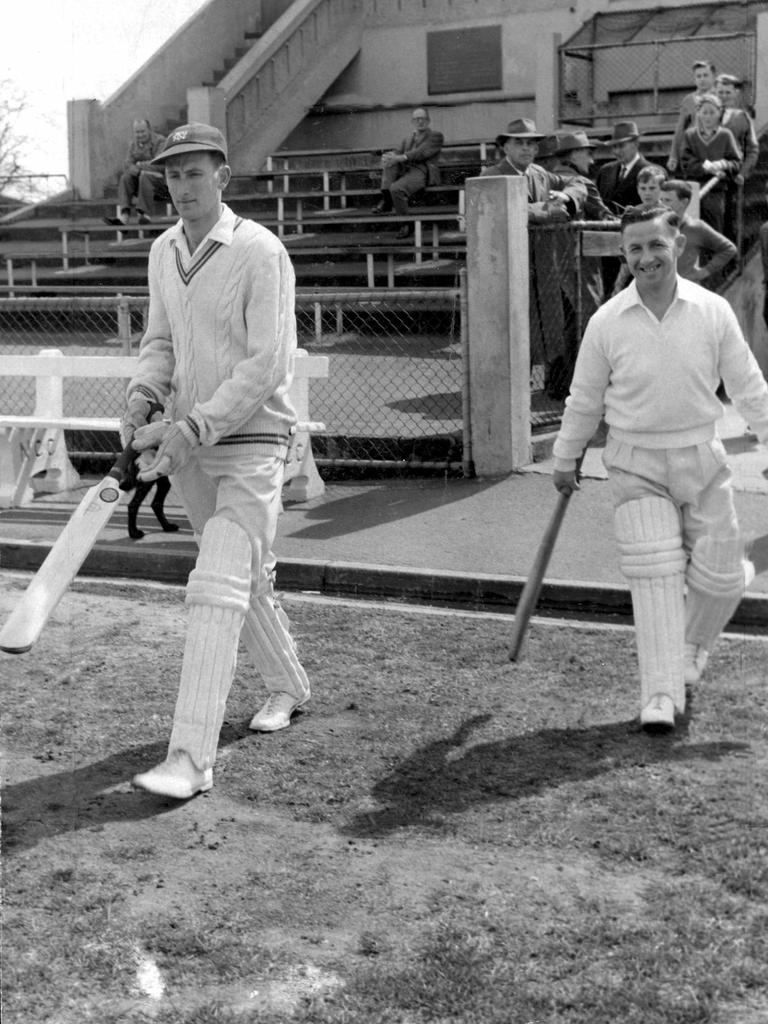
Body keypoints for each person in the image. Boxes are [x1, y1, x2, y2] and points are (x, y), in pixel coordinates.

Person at [122, 123, 312, 799]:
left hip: (253, 440)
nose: (183, 187)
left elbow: (269, 364)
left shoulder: (261, 252)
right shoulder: (162, 250)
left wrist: (195, 425)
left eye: (195, 173)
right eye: (173, 175)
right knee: (242, 578)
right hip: (189, 447)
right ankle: (289, 685)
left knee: (216, 583)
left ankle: (190, 757)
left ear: (224, 177)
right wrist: (146, 394)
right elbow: (160, 340)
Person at [552, 205, 768, 731]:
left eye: (656, 245)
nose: (647, 257)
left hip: (702, 457)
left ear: (678, 243)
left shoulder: (712, 310)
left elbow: (748, 386)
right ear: (625, 255)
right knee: (655, 577)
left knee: (721, 579)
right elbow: (584, 400)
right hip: (635, 462)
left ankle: (692, 646)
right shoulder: (607, 321)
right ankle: (660, 694)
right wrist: (564, 457)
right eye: (635, 249)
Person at [481, 117, 587, 399]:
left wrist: (566, 198)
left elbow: (578, 181)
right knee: (513, 338)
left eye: (531, 143)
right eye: (519, 142)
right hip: (508, 270)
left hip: (541, 271)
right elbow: (504, 208)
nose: (527, 148)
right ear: (505, 146)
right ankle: (509, 401)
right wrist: (545, 211)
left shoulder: (540, 173)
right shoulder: (492, 174)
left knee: (539, 334)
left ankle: (529, 397)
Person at [595, 121, 651, 295]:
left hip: (637, 244)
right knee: (608, 291)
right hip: (607, 246)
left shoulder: (650, 171)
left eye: (621, 146)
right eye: (614, 147)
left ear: (635, 143)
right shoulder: (606, 171)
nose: (616, 151)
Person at [372, 107, 443, 238]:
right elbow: (398, 152)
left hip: (421, 171)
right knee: (389, 162)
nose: (419, 121)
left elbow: (421, 153)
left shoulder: (436, 136)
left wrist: (400, 157)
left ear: (428, 120)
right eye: (416, 119)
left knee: (396, 188)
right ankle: (387, 199)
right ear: (412, 121)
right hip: (405, 170)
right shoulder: (408, 138)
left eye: (422, 118)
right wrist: (389, 157)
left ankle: (406, 224)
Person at [679, 92, 742, 237]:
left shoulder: (726, 135)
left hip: (716, 192)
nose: (708, 116)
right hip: (694, 191)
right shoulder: (690, 135)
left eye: (712, 112)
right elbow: (686, 162)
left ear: (719, 113)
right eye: (704, 112)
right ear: (698, 113)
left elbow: (736, 162)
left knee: (714, 232)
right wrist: (706, 167)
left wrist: (723, 164)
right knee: (693, 232)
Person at [659, 179, 737, 285]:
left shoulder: (696, 227)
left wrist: (704, 272)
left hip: (686, 291)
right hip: (655, 290)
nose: (662, 205)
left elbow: (729, 249)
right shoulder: (652, 226)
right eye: (661, 200)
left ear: (684, 202)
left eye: (667, 200)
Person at [715, 73, 760, 243]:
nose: (724, 97)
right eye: (720, 92)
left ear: (735, 93)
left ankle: (731, 259)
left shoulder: (742, 118)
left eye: (728, 92)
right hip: (709, 177)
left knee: (729, 221)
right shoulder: (706, 115)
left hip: (731, 179)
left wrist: (742, 173)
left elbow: (753, 149)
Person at [104, 118, 168, 226]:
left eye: (142, 131)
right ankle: (124, 215)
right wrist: (137, 169)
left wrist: (139, 165)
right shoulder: (133, 144)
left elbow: (158, 163)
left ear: (149, 130)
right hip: (141, 181)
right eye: (137, 132)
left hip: (160, 182)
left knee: (144, 176)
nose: (140, 135)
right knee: (126, 177)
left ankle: (144, 215)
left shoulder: (160, 141)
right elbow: (127, 164)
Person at [667, 60, 717, 174]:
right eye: (698, 76)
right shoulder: (689, 100)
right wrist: (673, 155)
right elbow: (680, 129)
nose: (702, 79)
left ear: (713, 77)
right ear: (694, 79)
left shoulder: (720, 97)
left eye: (705, 75)